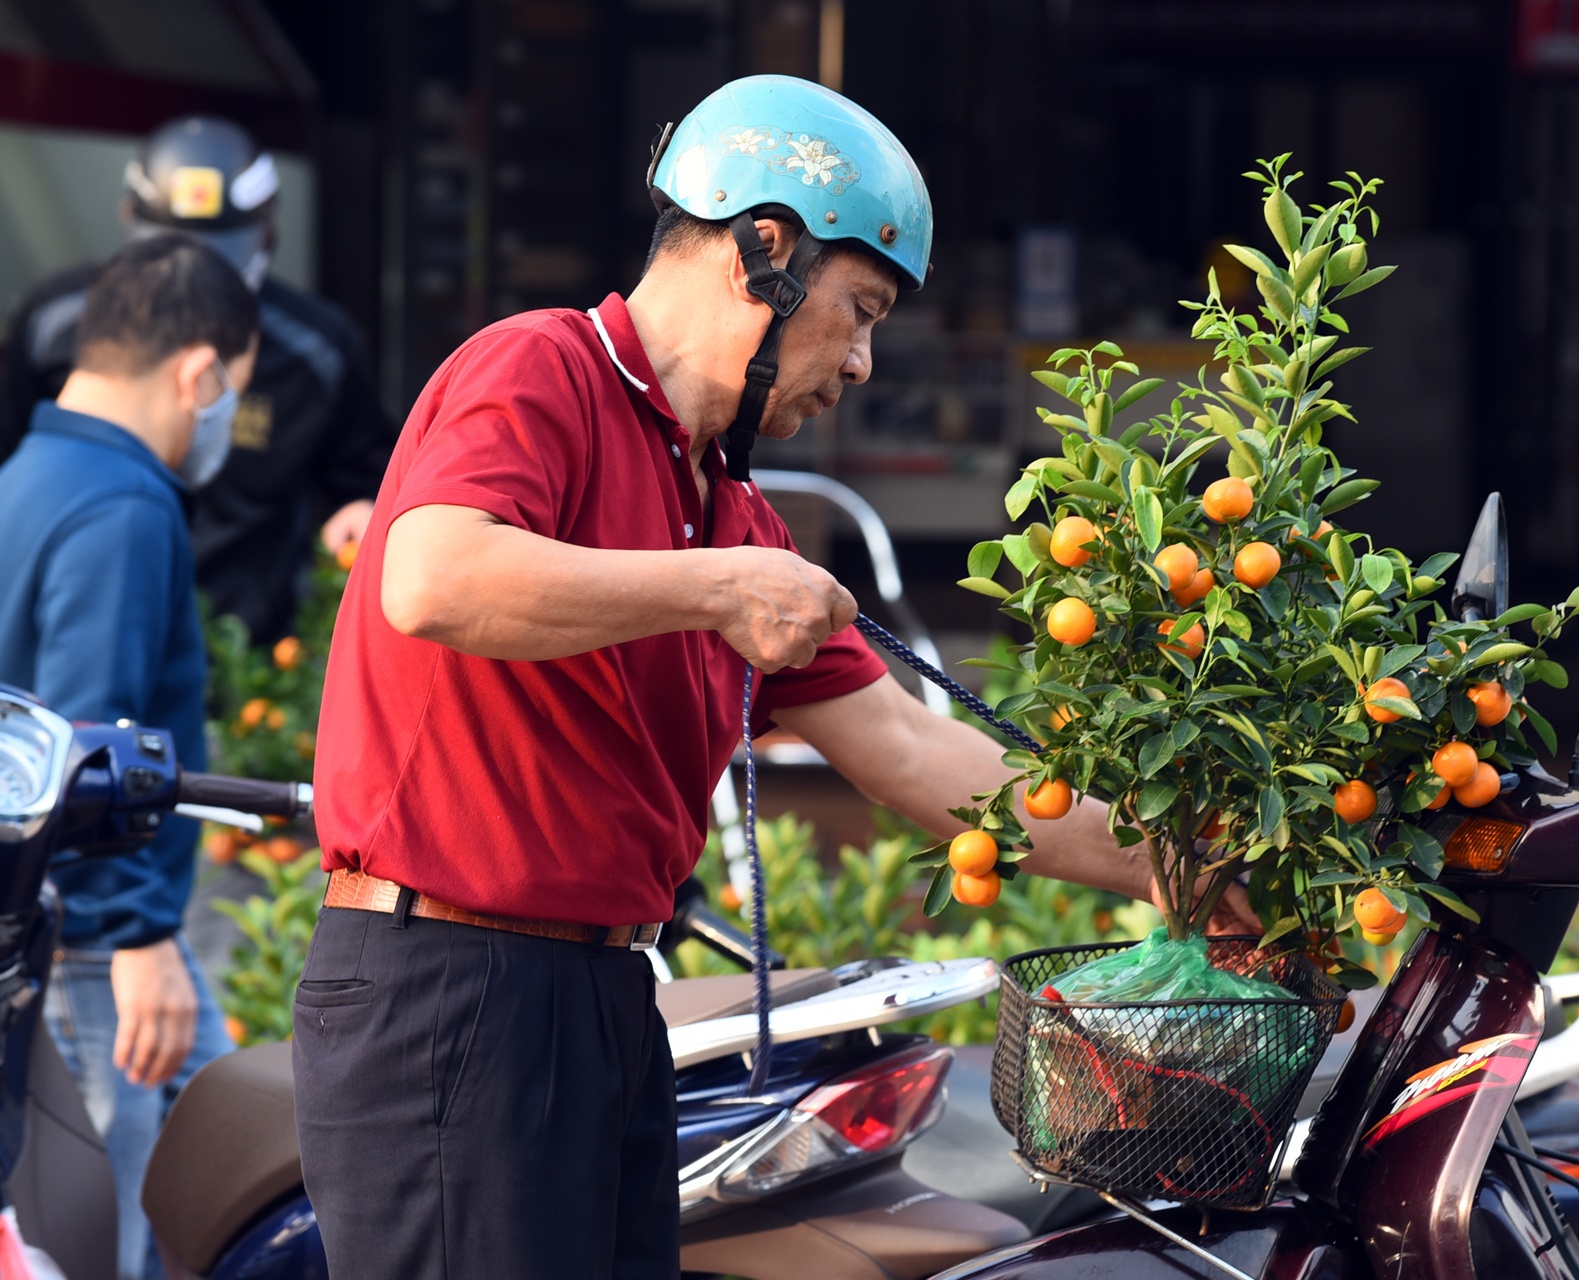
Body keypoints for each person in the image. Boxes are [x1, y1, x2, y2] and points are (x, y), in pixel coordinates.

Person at [299, 75, 1257, 1280]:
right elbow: (433, 578)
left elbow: (921, 756)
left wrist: (1186, 866)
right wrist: (717, 589)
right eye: (856, 311)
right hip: (450, 988)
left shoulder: (736, 514)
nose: (859, 363)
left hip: (604, 993)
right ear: (764, 250)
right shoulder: (541, 368)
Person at [0, 235, 259, 1280]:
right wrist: (135, 937)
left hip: (54, 917)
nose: (227, 420)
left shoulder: (29, 473)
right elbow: (82, 750)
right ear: (198, 372)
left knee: (213, 1155)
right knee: (124, 1222)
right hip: (98, 926)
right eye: (233, 392)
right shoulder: (124, 502)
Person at [0, 115, 396, 643]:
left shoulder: (318, 349)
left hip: (251, 662)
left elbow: (370, 475)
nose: (195, 283)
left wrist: (361, 510)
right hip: (80, 622)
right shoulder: (57, 318)